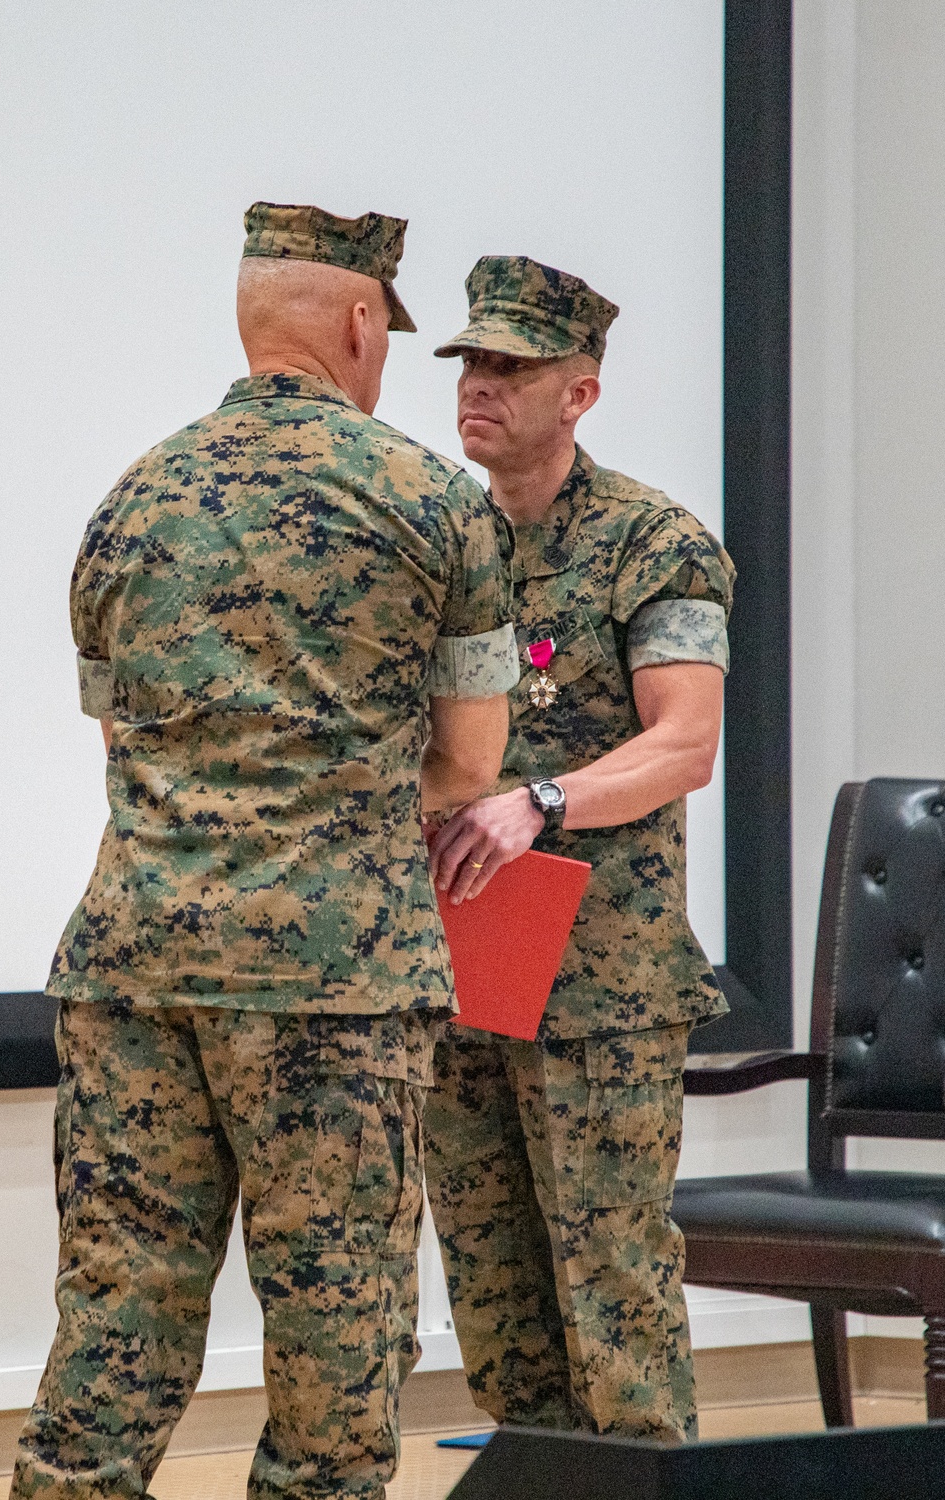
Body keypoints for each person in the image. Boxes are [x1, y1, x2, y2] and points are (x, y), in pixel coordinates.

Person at [11, 205, 519, 1500]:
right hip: (332, 988)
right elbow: (470, 762)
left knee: (108, 1353)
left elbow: (122, 725)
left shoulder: (130, 500)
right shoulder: (432, 504)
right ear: (362, 323)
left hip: (132, 971)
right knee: (334, 1382)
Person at [423, 255, 735, 1444]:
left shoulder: (653, 542)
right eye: (469, 363)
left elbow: (684, 745)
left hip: (598, 978)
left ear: (580, 394)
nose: (479, 387)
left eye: (512, 366)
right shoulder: (440, 539)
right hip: (462, 967)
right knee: (495, 1290)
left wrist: (535, 801)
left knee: (610, 1282)